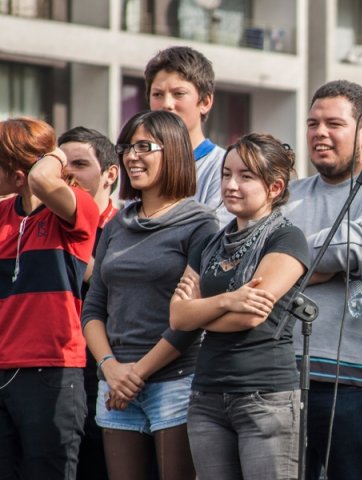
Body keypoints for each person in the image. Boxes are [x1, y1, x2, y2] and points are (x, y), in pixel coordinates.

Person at [81, 110, 218, 480]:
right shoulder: (116, 224)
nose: (131, 156)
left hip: (175, 382)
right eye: (127, 146)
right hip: (115, 381)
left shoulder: (201, 223)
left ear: (172, 151)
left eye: (145, 147)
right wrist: (110, 368)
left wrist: (135, 374)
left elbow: (190, 319)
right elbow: (93, 308)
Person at [281, 80, 362, 480]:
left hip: (358, 381)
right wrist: (318, 268)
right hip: (281, 375)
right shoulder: (287, 195)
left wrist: (286, 265)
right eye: (313, 123)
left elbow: (361, 246)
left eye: (334, 123)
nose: (320, 133)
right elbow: (256, 255)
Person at [169, 133, 309, 479]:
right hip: (207, 396)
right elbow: (177, 316)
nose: (231, 184)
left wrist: (200, 311)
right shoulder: (210, 242)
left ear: (275, 187)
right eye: (226, 174)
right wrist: (228, 299)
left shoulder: (287, 238)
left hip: (265, 397)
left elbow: (249, 316)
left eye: (246, 176)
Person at [0, 118, 100, 479]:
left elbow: (43, 181)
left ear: (17, 176)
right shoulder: (1, 214)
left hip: (52, 371)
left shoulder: (77, 210)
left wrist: (56, 153)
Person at [59, 126, 120, 480]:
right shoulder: (42, 226)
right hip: (52, 373)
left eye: (80, 163)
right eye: (61, 165)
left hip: (107, 373)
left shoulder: (126, 228)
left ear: (111, 174)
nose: (69, 174)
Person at [145, 45, 230, 224]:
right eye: (157, 94)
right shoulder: (139, 162)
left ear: (205, 102)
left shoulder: (223, 168)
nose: (167, 104)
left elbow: (214, 238)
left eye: (179, 94)